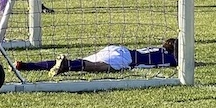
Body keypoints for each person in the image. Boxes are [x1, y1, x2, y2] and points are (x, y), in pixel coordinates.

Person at [15, 37, 178, 76]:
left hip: (118, 49)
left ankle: (26, 66)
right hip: (127, 59)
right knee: (97, 67)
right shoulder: (172, 58)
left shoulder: (159, 50)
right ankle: (66, 66)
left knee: (82, 61)